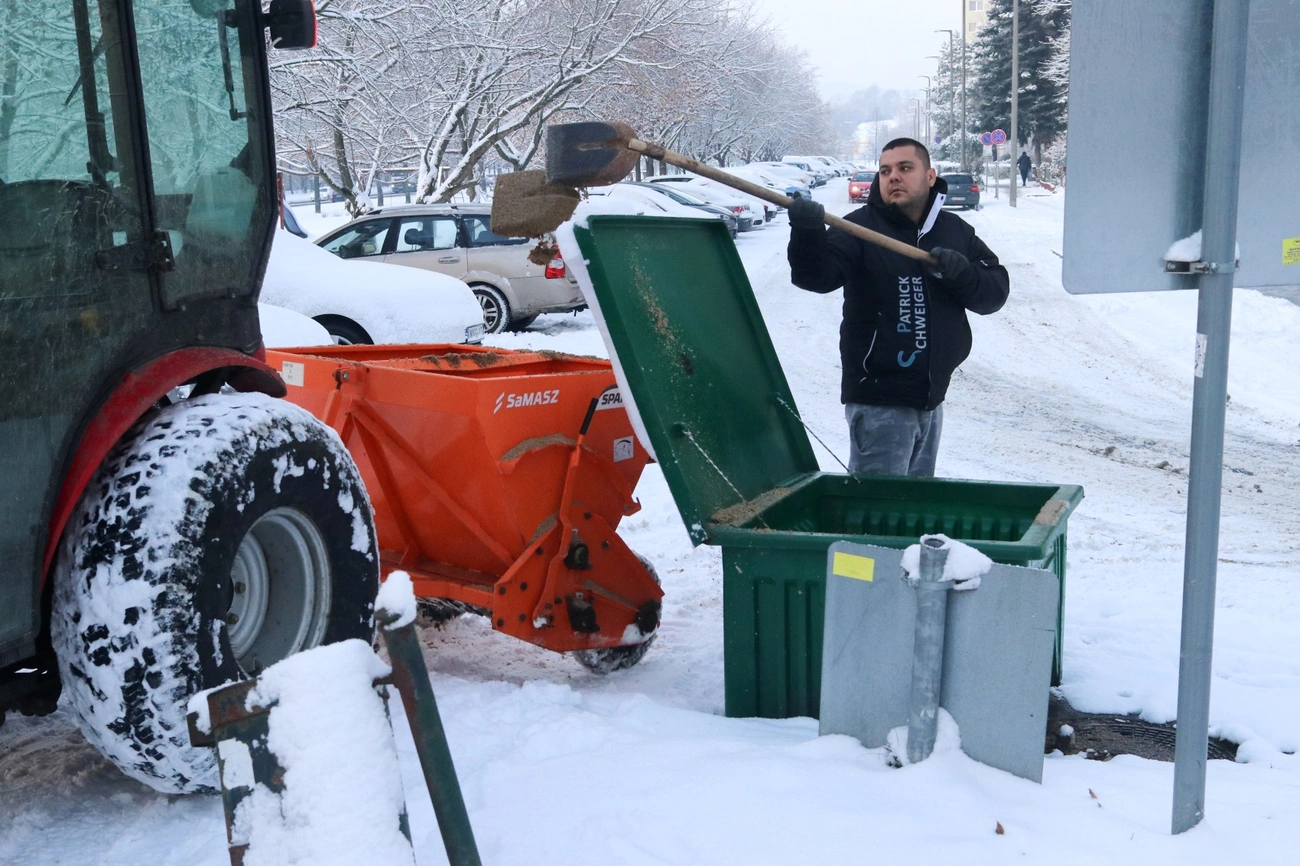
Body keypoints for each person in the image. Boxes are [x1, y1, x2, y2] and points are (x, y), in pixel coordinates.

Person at [786, 137, 1009, 477]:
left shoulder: (954, 231)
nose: (893, 177)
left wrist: (962, 273)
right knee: (878, 512)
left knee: (912, 510)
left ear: (930, 176)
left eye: (905, 168)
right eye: (885, 171)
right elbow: (816, 277)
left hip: (931, 398)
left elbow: (993, 294)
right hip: (880, 401)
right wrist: (806, 233)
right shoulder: (859, 228)